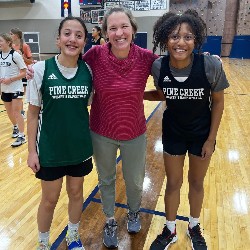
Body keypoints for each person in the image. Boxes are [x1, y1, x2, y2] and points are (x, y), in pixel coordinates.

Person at [26, 7, 158, 249]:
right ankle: (108, 220)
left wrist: (201, 61)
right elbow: (67, 65)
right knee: (104, 180)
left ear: (133, 30)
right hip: (99, 132)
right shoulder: (94, 56)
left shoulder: (146, 57)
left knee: (135, 181)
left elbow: (172, 71)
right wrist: (34, 70)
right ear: (105, 33)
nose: (119, 33)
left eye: (124, 27)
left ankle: (132, 213)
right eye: (113, 28)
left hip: (133, 131)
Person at [144, 9, 229, 250]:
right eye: (174, 36)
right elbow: (162, 93)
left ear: (196, 40)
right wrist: (137, 94)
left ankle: (193, 226)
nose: (180, 42)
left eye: (188, 37)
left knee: (196, 182)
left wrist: (211, 139)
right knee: (173, 183)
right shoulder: (159, 67)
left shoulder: (210, 64)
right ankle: (170, 229)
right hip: (173, 133)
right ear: (164, 39)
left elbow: (219, 102)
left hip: (201, 134)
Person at [26, 17, 93, 250]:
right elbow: (33, 114)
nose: (72, 39)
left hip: (79, 147)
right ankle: (43, 243)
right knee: (49, 200)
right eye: (67, 34)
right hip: (50, 149)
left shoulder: (89, 72)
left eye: (78, 35)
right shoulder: (40, 70)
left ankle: (73, 236)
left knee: (76, 194)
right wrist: (31, 152)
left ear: (84, 41)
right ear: (58, 39)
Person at [0, 33, 27, 147]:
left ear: (8, 42)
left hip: (16, 87)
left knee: (16, 112)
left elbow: (24, 72)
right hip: (4, 88)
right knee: (9, 112)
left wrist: (10, 79)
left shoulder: (15, 55)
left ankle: (22, 136)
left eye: (1, 41)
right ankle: (15, 127)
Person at [10, 27, 33, 118]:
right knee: (14, 93)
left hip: (22, 73)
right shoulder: (10, 47)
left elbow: (30, 61)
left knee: (20, 93)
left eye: (11, 34)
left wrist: (21, 57)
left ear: (16, 36)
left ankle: (22, 111)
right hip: (12, 73)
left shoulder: (25, 46)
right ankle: (18, 111)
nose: (10, 35)